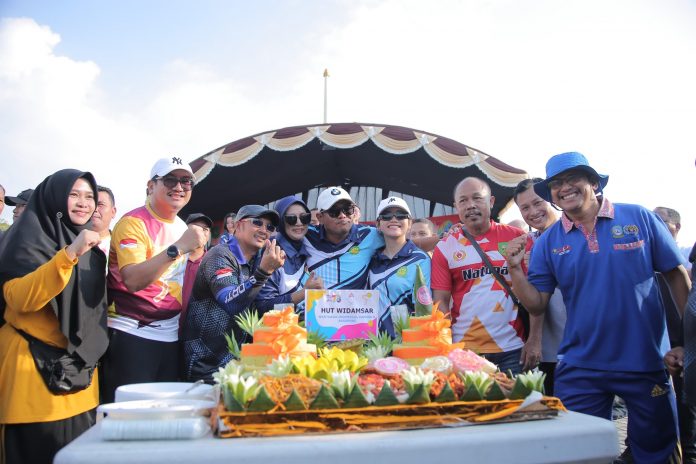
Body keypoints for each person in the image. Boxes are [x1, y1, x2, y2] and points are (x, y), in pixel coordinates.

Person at [505, 152, 690, 463]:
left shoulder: (639, 217)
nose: (564, 188)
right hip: (581, 365)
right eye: (556, 184)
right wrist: (514, 269)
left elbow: (676, 275)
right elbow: (536, 303)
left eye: (572, 179)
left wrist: (687, 342)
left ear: (593, 182)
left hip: (645, 360)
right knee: (579, 452)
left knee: (656, 452)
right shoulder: (548, 242)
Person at [0, 169, 107, 464]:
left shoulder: (92, 248)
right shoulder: (25, 240)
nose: (83, 203)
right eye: (74, 194)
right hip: (32, 382)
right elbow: (20, 299)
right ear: (55, 198)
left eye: (89, 197)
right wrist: (68, 255)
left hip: (80, 385)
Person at [101, 157, 207, 403]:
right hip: (131, 333)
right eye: (170, 180)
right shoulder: (133, 223)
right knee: (130, 418)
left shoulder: (181, 226)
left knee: (161, 417)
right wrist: (178, 248)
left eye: (186, 181)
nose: (179, 187)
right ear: (151, 186)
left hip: (170, 337)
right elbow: (133, 280)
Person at [431, 177, 531, 375]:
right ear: (456, 207)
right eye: (463, 201)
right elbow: (440, 301)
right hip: (465, 350)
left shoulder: (518, 238)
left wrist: (534, 340)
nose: (470, 205)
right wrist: (445, 346)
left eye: (477, 198)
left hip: (513, 349)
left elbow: (535, 295)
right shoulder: (445, 247)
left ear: (491, 201)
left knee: (517, 397)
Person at [182, 205, 285, 382]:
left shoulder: (256, 261)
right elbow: (230, 302)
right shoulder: (220, 255)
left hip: (237, 364)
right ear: (238, 225)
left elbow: (259, 306)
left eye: (269, 227)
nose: (264, 230)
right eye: (257, 223)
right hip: (206, 364)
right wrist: (263, 272)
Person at [513, 178, 566, 395]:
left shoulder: (578, 231)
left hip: (583, 344)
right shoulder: (525, 242)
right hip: (547, 348)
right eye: (525, 208)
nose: (533, 212)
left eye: (538, 202)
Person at [368, 197, 430, 337]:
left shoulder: (420, 259)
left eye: (401, 215)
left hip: (408, 342)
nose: (394, 219)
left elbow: (424, 310)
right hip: (375, 344)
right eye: (387, 216)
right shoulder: (371, 259)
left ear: (410, 223)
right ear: (378, 224)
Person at [304, 187, 385, 290]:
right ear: (320, 217)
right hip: (315, 300)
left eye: (348, 210)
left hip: (358, 300)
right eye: (334, 211)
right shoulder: (306, 234)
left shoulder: (370, 235)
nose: (342, 215)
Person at [255, 196, 323, 315]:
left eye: (304, 217)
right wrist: (304, 293)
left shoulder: (311, 248)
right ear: (280, 222)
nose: (299, 223)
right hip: (281, 326)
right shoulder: (272, 253)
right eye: (291, 219)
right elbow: (263, 308)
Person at [179, 213, 213, 338]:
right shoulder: (173, 259)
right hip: (167, 329)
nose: (200, 232)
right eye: (195, 227)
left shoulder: (213, 262)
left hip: (196, 335)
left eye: (205, 229)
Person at [655, 206, 692, 272]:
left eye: (659, 222)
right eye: (651, 223)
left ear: (677, 226)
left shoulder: (689, 253)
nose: (653, 227)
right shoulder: (643, 255)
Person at [91, 185, 117, 258]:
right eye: (91, 204)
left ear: (113, 212)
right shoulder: (72, 243)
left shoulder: (120, 245)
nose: (94, 209)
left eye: (100, 205)